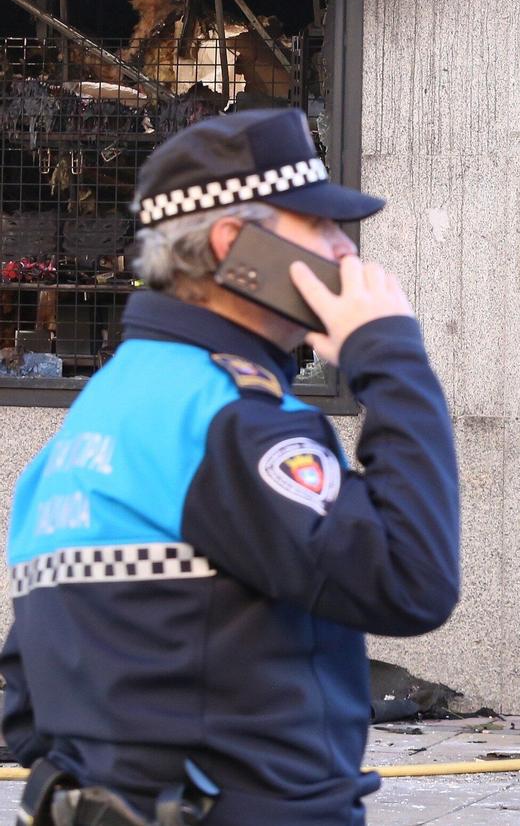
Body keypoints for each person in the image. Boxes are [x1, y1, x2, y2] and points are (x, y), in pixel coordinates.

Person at [1, 108, 460, 826]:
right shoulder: (229, 417)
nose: (347, 251)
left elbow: (25, 700)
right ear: (233, 246)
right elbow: (413, 580)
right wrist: (390, 356)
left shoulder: (92, 422)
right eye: (320, 226)